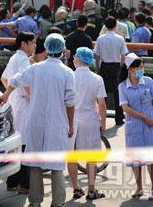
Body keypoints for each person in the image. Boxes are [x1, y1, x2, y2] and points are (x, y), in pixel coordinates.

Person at [0, 33, 75, 207]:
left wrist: (6, 94)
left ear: (46, 48)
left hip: (35, 123)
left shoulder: (35, 68)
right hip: (57, 123)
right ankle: (58, 202)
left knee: (35, 164)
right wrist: (70, 124)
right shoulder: (67, 72)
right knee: (56, 165)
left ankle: (35, 201)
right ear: (62, 50)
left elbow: (14, 80)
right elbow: (70, 102)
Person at [118, 53, 153, 200]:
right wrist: (145, 117)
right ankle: (139, 187)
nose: (141, 69)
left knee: (151, 159)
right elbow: (125, 108)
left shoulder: (149, 82)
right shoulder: (123, 86)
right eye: (138, 67)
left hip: (150, 127)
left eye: (142, 67)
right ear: (130, 69)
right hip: (134, 127)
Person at [67, 47, 107, 200]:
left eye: (75, 56)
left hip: (71, 119)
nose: (73, 58)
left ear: (78, 58)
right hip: (90, 119)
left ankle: (76, 188)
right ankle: (91, 190)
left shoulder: (69, 75)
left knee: (71, 155)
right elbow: (101, 103)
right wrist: (103, 122)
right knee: (91, 157)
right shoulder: (96, 78)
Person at [1, 32, 36, 194]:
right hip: (23, 104)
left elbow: (4, 79)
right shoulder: (23, 60)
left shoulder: (14, 58)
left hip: (14, 103)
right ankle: (24, 184)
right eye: (32, 43)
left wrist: (10, 93)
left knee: (15, 143)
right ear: (24, 44)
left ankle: (12, 182)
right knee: (25, 144)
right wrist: (30, 96)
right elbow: (26, 81)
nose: (34, 45)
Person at [94, 17, 128, 123]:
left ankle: (100, 116)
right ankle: (119, 118)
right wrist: (122, 67)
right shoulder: (120, 38)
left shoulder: (100, 38)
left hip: (104, 65)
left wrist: (97, 67)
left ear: (105, 26)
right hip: (116, 66)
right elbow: (123, 55)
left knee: (102, 93)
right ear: (115, 26)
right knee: (118, 93)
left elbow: (97, 55)